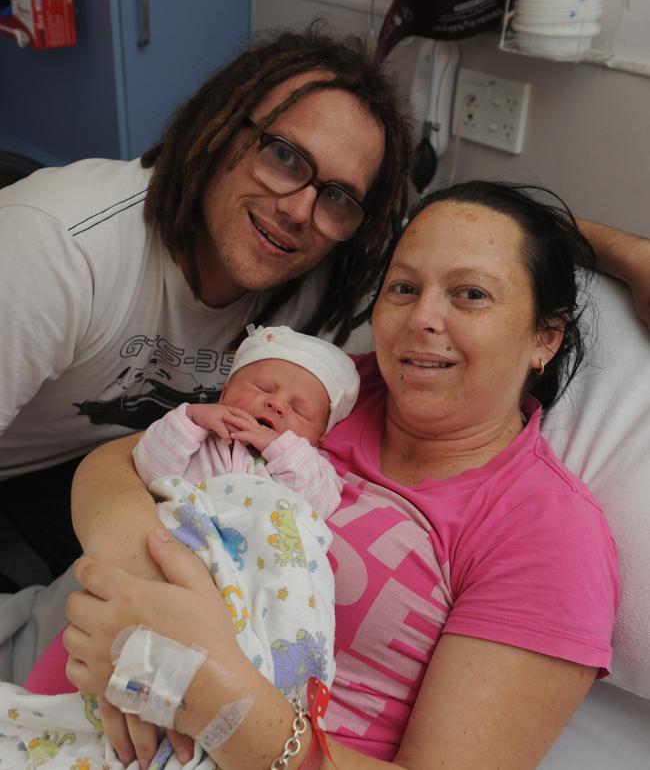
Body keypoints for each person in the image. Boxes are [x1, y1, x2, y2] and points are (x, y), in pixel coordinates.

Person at [0, 22, 647, 590]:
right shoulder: (55, 248)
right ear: (220, 128)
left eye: (338, 195)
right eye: (283, 157)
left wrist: (630, 256)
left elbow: (472, 237)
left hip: (135, 474)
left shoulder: (326, 265)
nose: (299, 210)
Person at [61, 181, 618, 770]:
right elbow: (115, 463)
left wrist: (204, 688)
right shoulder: (331, 392)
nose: (422, 319)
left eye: (471, 294)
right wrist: (144, 592)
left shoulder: (547, 532)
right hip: (83, 700)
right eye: (403, 287)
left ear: (545, 338)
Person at [24, 324, 359, 702]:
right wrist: (189, 419)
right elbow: (150, 469)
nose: (276, 404)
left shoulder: (308, 464)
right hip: (184, 560)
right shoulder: (200, 437)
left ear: (318, 437)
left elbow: (319, 503)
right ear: (226, 390)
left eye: (299, 410)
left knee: (250, 650)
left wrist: (281, 447)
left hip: (256, 579)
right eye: (262, 388)